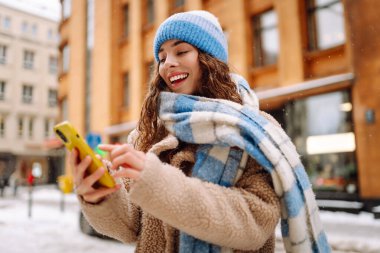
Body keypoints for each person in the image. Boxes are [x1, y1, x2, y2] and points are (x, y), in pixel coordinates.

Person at [71, 10, 330, 253]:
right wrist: (102, 195)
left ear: (210, 61)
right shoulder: (149, 134)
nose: (167, 64)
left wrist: (159, 183)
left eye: (181, 51)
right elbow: (131, 228)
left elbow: (256, 222)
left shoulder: (254, 130)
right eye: (161, 57)